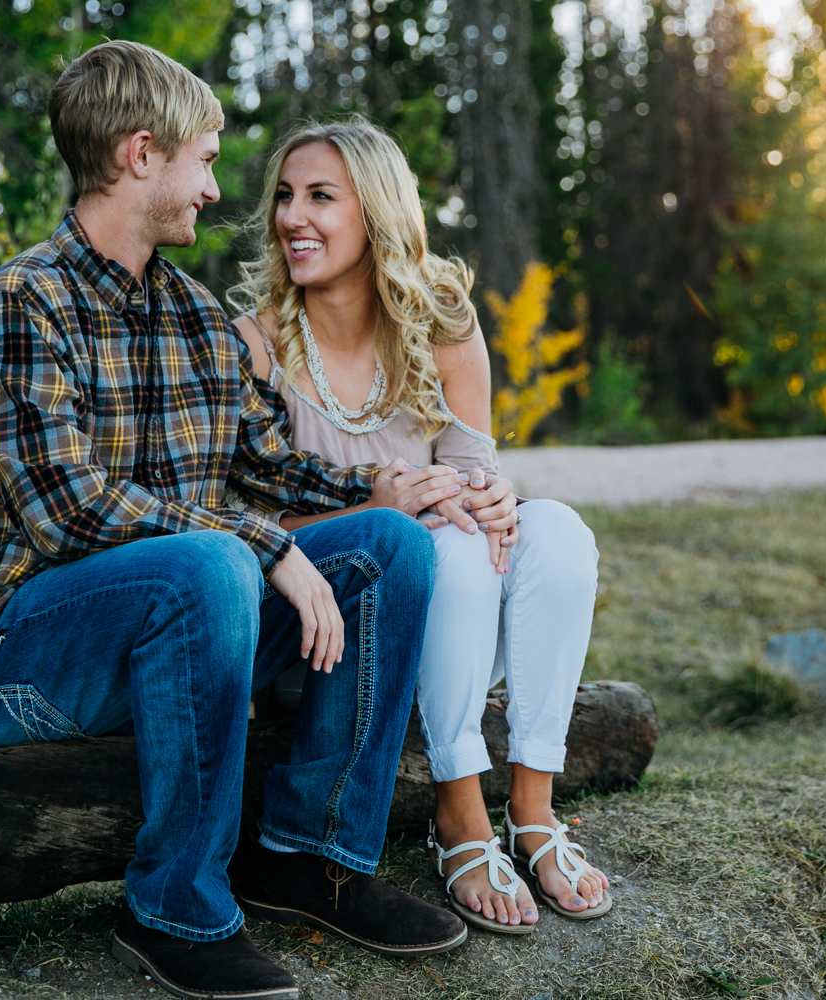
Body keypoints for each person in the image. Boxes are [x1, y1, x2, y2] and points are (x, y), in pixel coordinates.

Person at [0, 43, 471, 1000]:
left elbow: (271, 464)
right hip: (22, 663)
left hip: (185, 631)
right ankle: (173, 905)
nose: (217, 189)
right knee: (211, 560)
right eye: (205, 160)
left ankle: (312, 858)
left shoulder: (198, 319)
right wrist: (266, 545)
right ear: (142, 155)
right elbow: (65, 510)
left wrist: (394, 485)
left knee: (388, 550)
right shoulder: (24, 301)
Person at [228, 118, 611, 937]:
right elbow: (248, 525)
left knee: (557, 534)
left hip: (454, 615)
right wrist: (377, 507)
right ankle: (460, 814)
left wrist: (496, 497)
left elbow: (474, 471)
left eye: (321, 197)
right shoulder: (256, 344)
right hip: (335, 633)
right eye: (286, 197)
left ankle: (534, 811)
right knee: (447, 550)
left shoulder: (440, 318)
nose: (293, 216)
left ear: (377, 212)